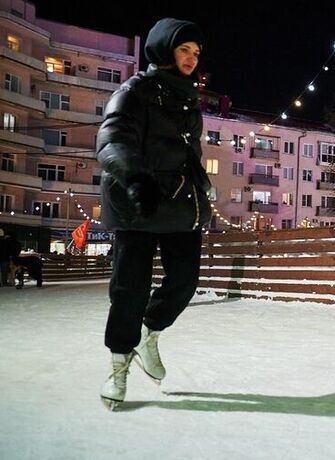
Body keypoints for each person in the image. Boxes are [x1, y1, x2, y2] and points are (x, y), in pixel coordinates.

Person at [96, 18, 212, 410]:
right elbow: (112, 140)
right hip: (137, 202)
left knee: (185, 280)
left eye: (196, 52)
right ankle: (117, 368)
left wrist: (203, 191)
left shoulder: (188, 99)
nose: (191, 58)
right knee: (130, 291)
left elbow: (188, 154)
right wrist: (135, 178)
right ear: (164, 49)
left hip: (180, 201)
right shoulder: (134, 93)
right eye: (184, 50)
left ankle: (149, 332)